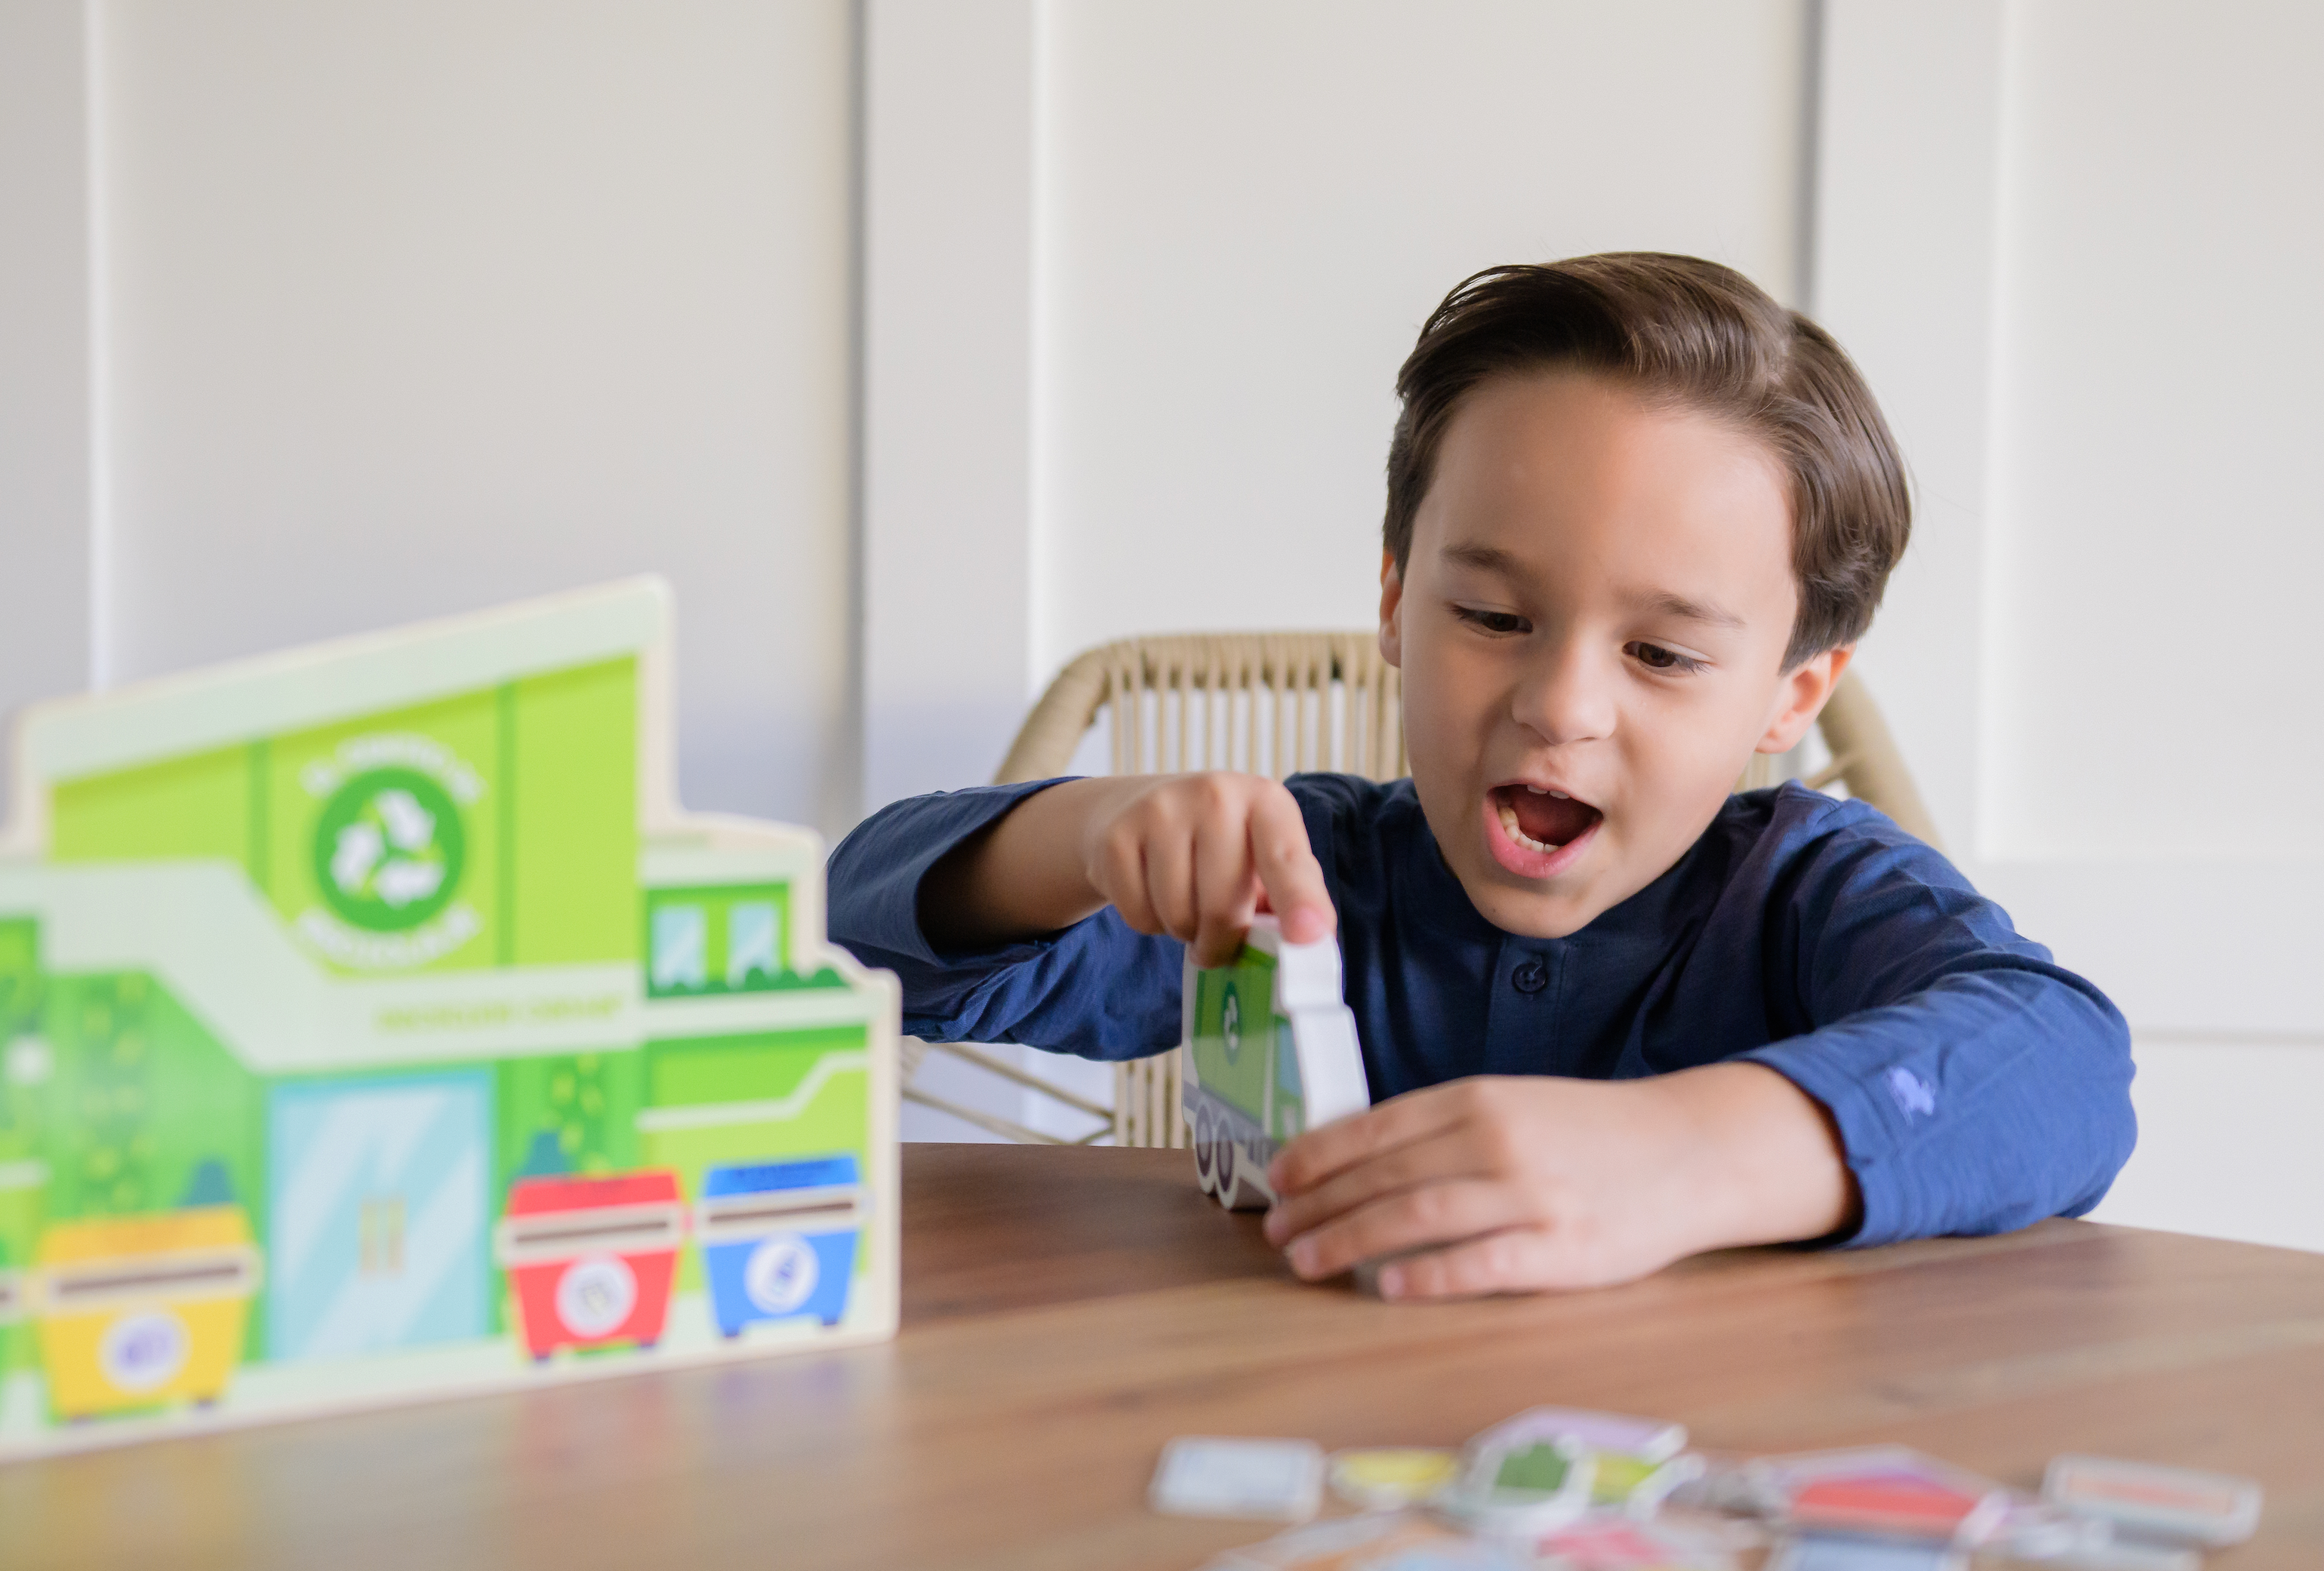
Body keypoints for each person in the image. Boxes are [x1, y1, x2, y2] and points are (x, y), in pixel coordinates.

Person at [827, 252, 2136, 1299]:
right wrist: (1082, 831)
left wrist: (1681, 1156)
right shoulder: (1307, 874)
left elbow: (2064, 1068)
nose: (1558, 704)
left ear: (1790, 697)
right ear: (1395, 599)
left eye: (1664, 651)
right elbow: (845, 925)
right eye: (1495, 617)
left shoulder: (1812, 892)